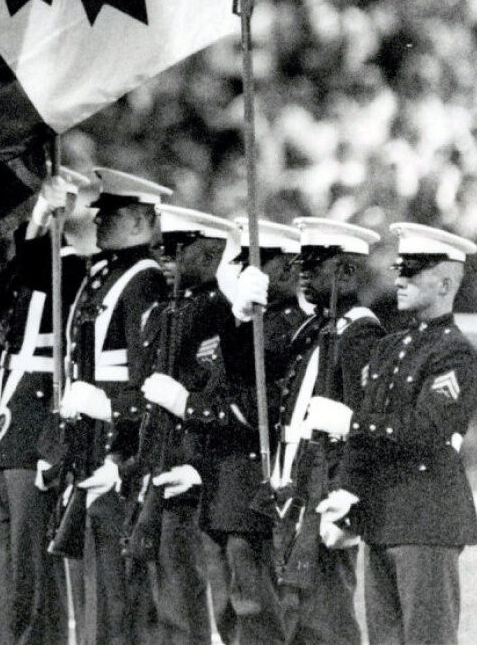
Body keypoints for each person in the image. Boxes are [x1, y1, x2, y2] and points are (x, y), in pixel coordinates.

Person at [315, 222, 477, 645]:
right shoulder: (390, 347)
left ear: (445, 283)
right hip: (383, 516)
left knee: (426, 638)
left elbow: (427, 430)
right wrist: (347, 491)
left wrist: (351, 423)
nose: (400, 278)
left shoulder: (454, 352)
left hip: (427, 517)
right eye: (399, 268)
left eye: (412, 270)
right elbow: (368, 432)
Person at [145, 217, 305, 645]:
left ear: (288, 267)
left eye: (255, 263)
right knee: (229, 615)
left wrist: (187, 405)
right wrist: (197, 463)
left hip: (251, 488)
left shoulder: (290, 327)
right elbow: (220, 383)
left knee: (256, 614)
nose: (240, 273)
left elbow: (255, 409)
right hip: (221, 485)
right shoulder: (245, 324)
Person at [54, 167, 172, 645]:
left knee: (116, 600)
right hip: (87, 445)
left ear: (143, 221)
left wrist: (106, 407)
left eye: (113, 214)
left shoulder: (143, 280)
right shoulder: (105, 276)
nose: (99, 222)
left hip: (117, 449)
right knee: (93, 599)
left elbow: (148, 382)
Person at [0, 169, 94, 645]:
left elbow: (35, 269)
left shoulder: (75, 268)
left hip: (36, 418)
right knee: (2, 557)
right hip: (5, 412)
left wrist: (39, 227)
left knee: (30, 558)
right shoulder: (22, 264)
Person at [270, 217, 384, 645]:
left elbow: (360, 423)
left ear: (347, 272)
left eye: (316, 262)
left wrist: (349, 499)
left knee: (327, 619)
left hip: (326, 491)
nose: (303, 270)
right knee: (297, 617)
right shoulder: (320, 328)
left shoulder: (359, 334)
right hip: (299, 486)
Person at [134, 205, 237, 645]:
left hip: (190, 472)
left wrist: (194, 463)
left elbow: (215, 394)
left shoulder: (218, 310)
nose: (165, 256)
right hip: (160, 464)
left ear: (209, 255)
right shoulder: (171, 310)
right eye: (163, 246)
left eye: (178, 247)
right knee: (162, 606)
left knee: (185, 605)